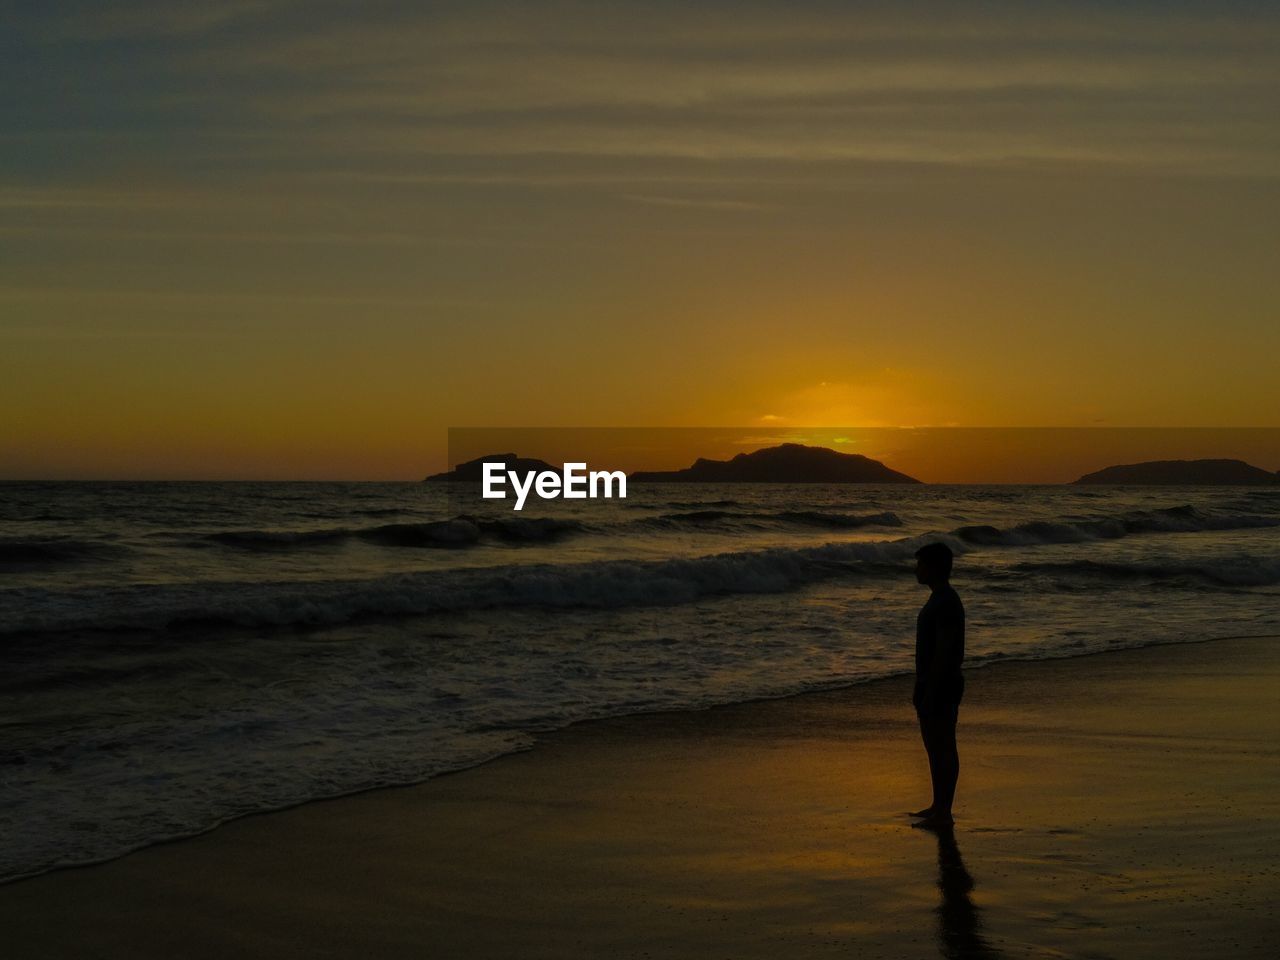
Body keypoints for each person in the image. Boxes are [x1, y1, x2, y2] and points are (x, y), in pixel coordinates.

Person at [909, 541, 965, 829]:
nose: (916, 569)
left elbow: (944, 652)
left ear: (932, 568)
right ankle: (938, 805)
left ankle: (944, 812)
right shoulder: (941, 598)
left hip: (941, 684)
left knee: (942, 746)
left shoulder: (945, 601)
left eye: (920, 564)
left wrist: (930, 689)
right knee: (935, 747)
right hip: (934, 682)